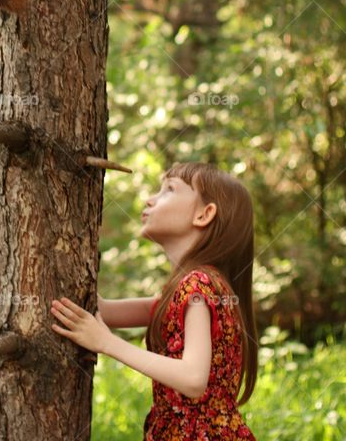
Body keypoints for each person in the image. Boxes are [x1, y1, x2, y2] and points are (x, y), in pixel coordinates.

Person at [51, 161, 258, 440]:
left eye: (169, 190)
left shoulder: (198, 285)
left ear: (204, 214)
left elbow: (194, 379)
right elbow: (101, 309)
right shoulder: (187, 291)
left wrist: (106, 343)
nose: (150, 199)